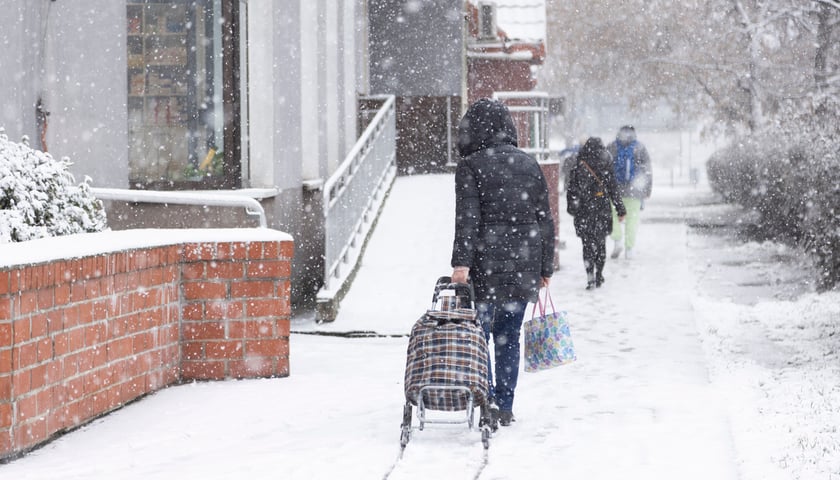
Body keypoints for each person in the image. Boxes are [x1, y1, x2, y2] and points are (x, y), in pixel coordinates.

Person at [450, 98, 555, 428]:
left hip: (484, 268)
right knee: (508, 335)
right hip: (523, 267)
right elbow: (545, 220)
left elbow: (468, 219)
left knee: (478, 335)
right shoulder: (529, 164)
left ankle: (485, 398)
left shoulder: (471, 166)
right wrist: (545, 268)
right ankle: (504, 404)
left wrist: (460, 265)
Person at [566, 137, 626, 289]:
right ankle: (599, 274)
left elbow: (572, 190)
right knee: (601, 244)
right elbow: (613, 189)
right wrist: (620, 209)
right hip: (602, 209)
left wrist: (573, 208)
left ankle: (589, 274)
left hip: (583, 211)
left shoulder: (579, 165)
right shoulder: (606, 163)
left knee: (587, 244)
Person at [606, 125, 652, 259]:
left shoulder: (612, 147)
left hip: (615, 191)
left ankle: (617, 240)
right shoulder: (640, 148)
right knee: (632, 220)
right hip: (635, 192)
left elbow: (604, 168)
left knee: (612, 217)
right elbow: (647, 170)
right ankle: (629, 249)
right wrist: (647, 189)